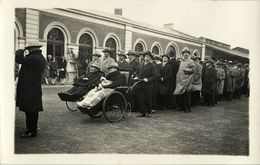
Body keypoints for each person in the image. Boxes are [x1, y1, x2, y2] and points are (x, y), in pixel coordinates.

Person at [15, 41, 46, 138]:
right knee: (33, 110)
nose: (27, 50)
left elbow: (19, 59)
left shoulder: (33, 58)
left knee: (30, 111)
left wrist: (20, 50)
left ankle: (30, 130)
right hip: (34, 88)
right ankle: (32, 129)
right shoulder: (40, 57)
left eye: (28, 49)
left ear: (32, 49)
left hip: (29, 89)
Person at [134, 51, 156, 117]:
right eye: (146, 56)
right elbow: (137, 72)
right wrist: (136, 76)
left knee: (148, 99)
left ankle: (149, 112)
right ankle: (142, 112)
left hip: (148, 85)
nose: (147, 58)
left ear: (150, 58)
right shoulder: (140, 64)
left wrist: (148, 79)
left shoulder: (152, 66)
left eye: (148, 57)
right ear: (144, 57)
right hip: (140, 84)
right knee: (141, 99)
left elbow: (154, 76)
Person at [174, 47, 195, 112]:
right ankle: (182, 107)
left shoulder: (190, 61)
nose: (185, 54)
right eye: (184, 53)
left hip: (187, 80)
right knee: (181, 95)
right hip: (181, 81)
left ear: (189, 54)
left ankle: (188, 108)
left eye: (186, 53)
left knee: (187, 95)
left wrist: (186, 70)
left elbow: (193, 70)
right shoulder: (182, 61)